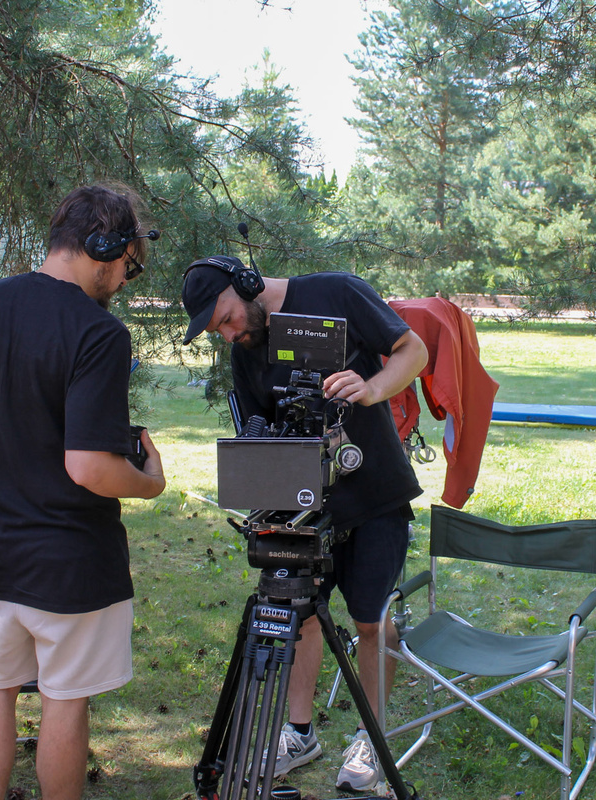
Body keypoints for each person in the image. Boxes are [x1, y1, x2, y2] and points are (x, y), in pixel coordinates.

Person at [0, 184, 166, 800]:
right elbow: (89, 467)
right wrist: (148, 482)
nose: (126, 279)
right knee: (64, 703)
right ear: (107, 247)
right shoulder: (99, 333)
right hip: (70, 564)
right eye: (130, 263)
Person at [181, 257, 428, 792]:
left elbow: (414, 350)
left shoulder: (337, 292)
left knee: (369, 619)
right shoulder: (243, 349)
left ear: (244, 285)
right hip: (303, 508)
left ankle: (372, 735)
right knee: (300, 617)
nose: (228, 332)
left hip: (375, 497)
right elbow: (258, 424)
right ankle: (298, 733)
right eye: (217, 330)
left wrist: (372, 387)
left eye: (225, 317)